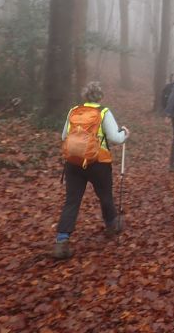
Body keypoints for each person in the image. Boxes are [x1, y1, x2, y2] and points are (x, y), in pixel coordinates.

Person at [53, 81, 130, 260]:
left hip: (73, 162)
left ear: (85, 96)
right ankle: (111, 224)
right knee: (105, 196)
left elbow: (64, 136)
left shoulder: (74, 111)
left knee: (72, 201)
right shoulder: (103, 112)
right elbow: (115, 138)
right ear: (100, 96)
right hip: (98, 162)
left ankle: (61, 241)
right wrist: (125, 133)